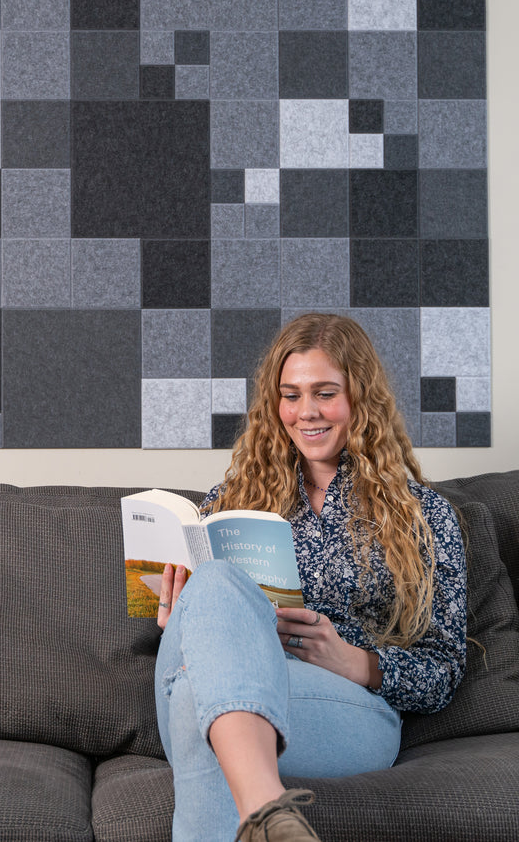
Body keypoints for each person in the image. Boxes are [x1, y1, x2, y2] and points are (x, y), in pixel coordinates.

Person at [153, 313, 467, 842]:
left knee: (193, 702)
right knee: (214, 584)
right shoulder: (229, 503)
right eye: (291, 395)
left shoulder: (424, 515)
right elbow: (201, 625)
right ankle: (270, 811)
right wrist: (180, 619)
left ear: (361, 399)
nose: (307, 412)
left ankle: (263, 811)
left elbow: (444, 668)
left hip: (342, 706)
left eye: (325, 393)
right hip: (219, 671)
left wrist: (357, 662)